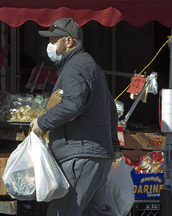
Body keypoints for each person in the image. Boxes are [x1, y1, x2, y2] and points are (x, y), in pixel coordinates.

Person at [30, 18, 121, 216]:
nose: (50, 45)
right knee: (95, 212)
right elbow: (110, 110)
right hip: (95, 155)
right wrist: (113, 146)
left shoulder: (75, 67)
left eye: (54, 40)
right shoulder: (90, 66)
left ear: (69, 41)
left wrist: (42, 123)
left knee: (61, 211)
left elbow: (71, 105)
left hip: (81, 156)